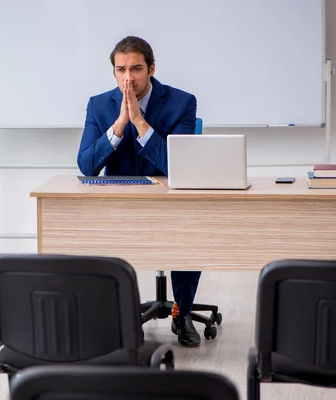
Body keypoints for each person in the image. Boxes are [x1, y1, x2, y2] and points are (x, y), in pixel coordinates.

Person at [77, 36, 202, 347]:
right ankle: (114, 314)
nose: (128, 78)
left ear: (151, 69)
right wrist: (119, 125)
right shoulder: (99, 104)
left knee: (189, 229)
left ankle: (182, 312)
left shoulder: (182, 102)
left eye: (136, 69)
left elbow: (178, 166)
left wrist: (140, 123)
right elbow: (87, 166)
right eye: (121, 70)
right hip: (121, 203)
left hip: (170, 201)